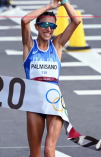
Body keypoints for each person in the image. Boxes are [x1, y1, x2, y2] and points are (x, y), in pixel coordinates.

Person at [21, 0, 81, 156]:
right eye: (44, 25)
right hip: (34, 103)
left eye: (52, 26)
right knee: (35, 153)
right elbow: (24, 20)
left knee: (49, 149)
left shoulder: (57, 45)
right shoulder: (29, 45)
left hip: (54, 102)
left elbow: (76, 21)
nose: (49, 29)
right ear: (37, 27)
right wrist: (49, 7)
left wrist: (65, 2)